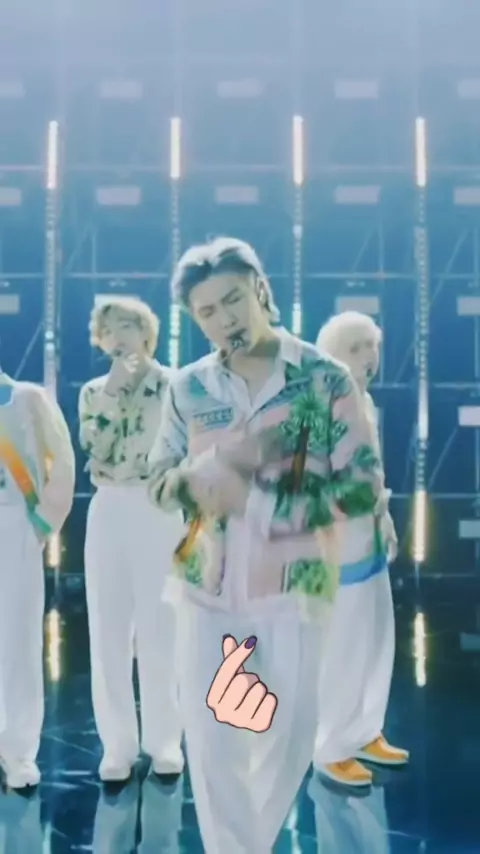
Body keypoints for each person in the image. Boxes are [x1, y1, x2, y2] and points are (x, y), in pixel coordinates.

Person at [147, 237, 384, 853]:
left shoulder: (324, 379)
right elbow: (158, 477)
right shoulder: (189, 388)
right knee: (211, 736)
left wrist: (255, 498)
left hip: (294, 586)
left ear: (259, 288)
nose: (224, 318)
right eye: (207, 311)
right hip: (206, 584)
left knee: (286, 735)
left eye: (233, 300)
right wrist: (188, 481)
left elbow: (361, 489)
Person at [78, 296, 185, 783]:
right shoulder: (93, 392)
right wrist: (113, 393)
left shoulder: (176, 386)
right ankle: (116, 746)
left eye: (126, 326)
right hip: (109, 506)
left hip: (158, 507)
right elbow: (93, 447)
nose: (118, 336)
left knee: (161, 626)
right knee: (108, 629)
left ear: (147, 332)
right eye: (108, 330)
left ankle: (164, 741)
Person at [313, 311, 409, 787]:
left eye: (372, 347)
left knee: (374, 636)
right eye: (356, 348)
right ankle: (331, 747)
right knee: (343, 643)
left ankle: (365, 730)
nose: (368, 357)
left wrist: (383, 518)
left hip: (368, 533)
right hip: (336, 537)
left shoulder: (363, 401)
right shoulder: (318, 403)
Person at [0, 367, 75, 788]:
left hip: (13, 523)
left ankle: (18, 751)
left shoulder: (28, 399)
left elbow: (61, 460)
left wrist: (43, 523)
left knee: (17, 638)